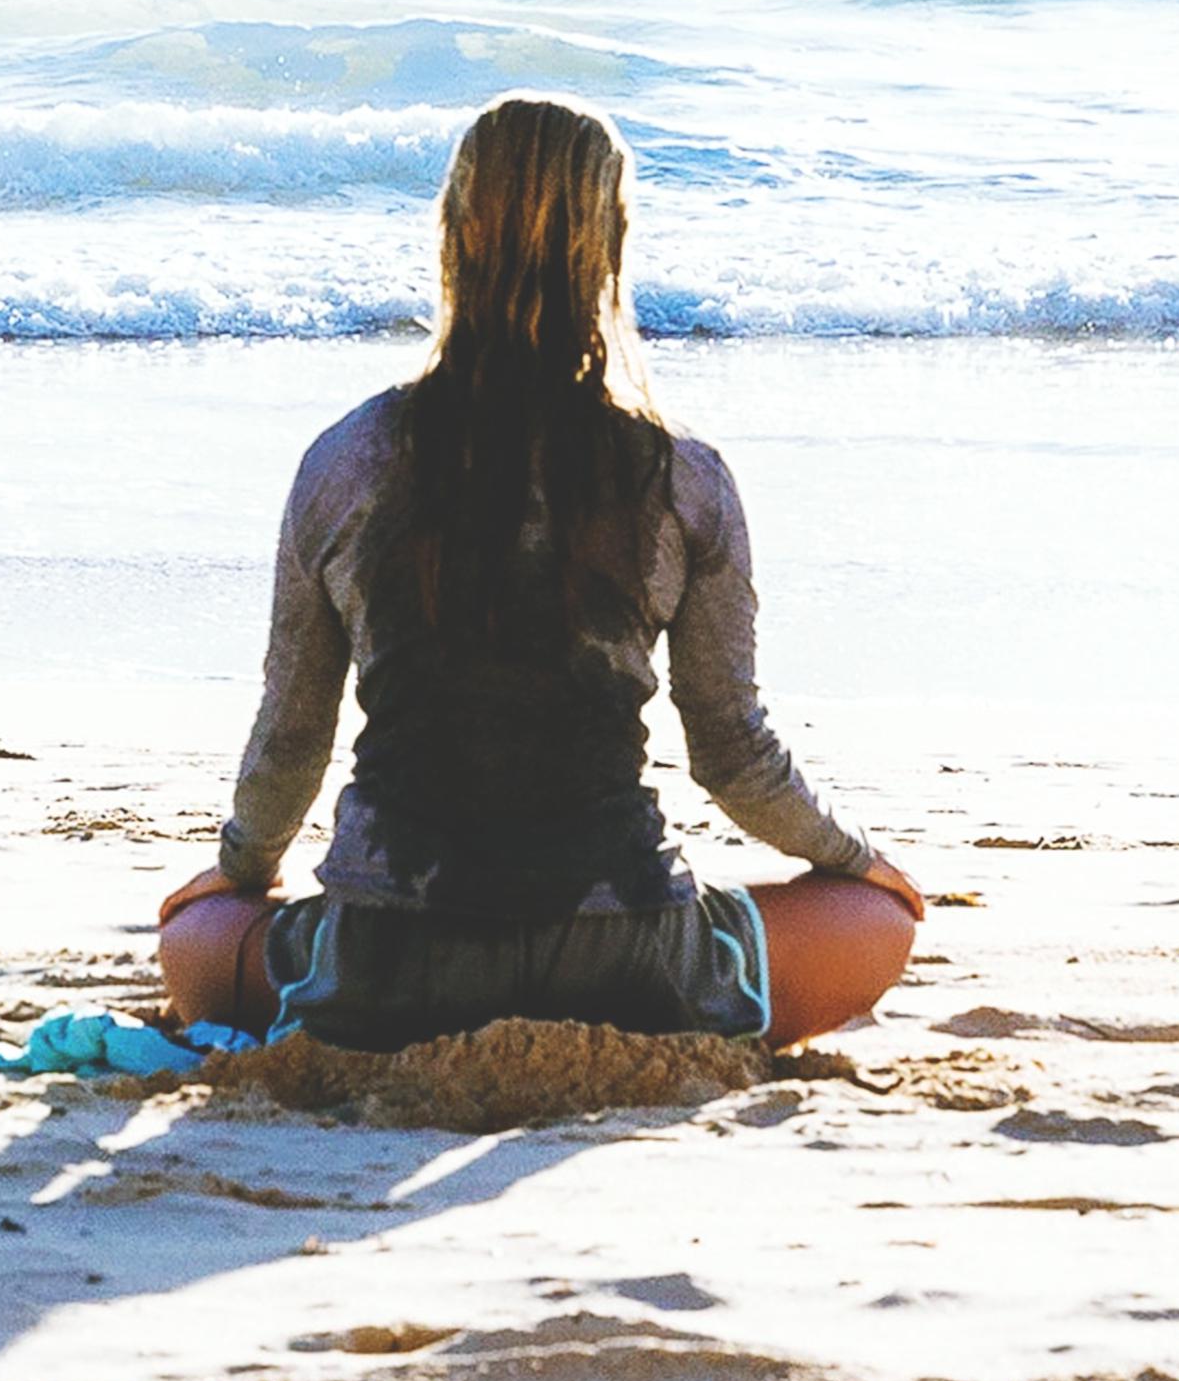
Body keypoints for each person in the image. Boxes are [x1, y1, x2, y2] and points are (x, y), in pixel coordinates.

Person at [157, 94, 923, 1055]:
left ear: (452, 236)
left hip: (387, 958)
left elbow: (292, 736)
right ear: (610, 245)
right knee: (880, 921)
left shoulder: (346, 460)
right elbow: (732, 753)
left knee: (190, 939)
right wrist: (856, 861)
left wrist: (238, 871)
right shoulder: (680, 476)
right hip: (624, 954)